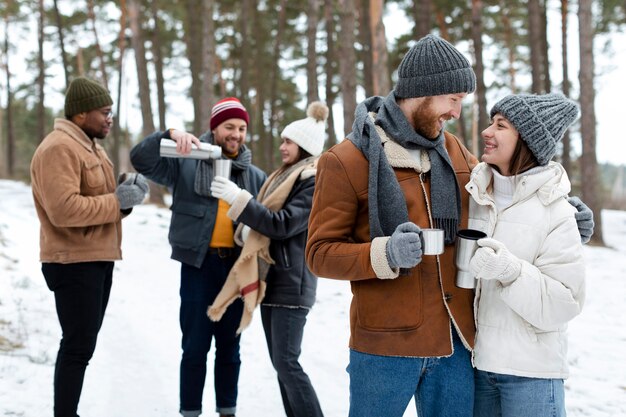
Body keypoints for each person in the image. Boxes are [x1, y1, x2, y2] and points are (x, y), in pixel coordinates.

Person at [304, 34, 594, 417]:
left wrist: (563, 212)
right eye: (453, 99)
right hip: (384, 347)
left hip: (456, 345)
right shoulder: (345, 160)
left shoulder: (454, 151)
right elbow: (319, 253)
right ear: (424, 91)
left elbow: (500, 198)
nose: (457, 112)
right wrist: (383, 253)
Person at [129, 97, 266, 417]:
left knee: (230, 349)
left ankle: (226, 411)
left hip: (236, 270)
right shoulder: (186, 160)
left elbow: (266, 222)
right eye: (229, 127)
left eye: (242, 128)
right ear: (214, 128)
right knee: (194, 348)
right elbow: (141, 159)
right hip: (197, 267)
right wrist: (170, 133)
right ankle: (190, 411)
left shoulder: (255, 175)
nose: (236, 134)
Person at [30, 76, 149, 417]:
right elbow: (64, 209)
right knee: (77, 346)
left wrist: (125, 196)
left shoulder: (88, 145)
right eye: (104, 112)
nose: (110, 118)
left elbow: (96, 200)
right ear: (81, 114)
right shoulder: (59, 148)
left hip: (94, 258)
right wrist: (116, 201)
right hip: (72, 261)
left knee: (82, 345)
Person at [467, 93, 585, 417]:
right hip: (478, 371)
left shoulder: (556, 211)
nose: (486, 132)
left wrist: (511, 272)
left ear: (526, 141)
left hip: (531, 376)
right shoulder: (476, 196)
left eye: (500, 125)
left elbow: (566, 301)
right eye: (491, 123)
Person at [208, 102, 329, 417]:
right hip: (274, 280)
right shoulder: (283, 176)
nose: (282, 146)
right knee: (281, 365)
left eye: (288, 141)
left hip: (293, 282)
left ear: (304, 146)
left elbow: (283, 223)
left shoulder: (313, 180)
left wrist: (239, 199)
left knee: (287, 362)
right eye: (284, 140)